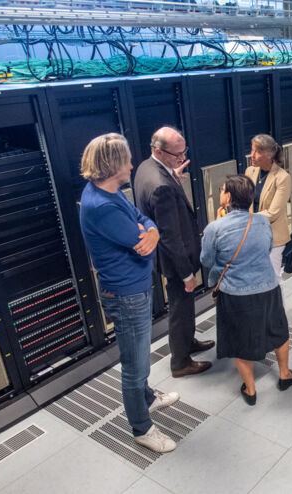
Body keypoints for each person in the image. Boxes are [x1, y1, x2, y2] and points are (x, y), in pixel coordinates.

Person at [79, 133, 179, 453]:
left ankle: (147, 399)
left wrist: (149, 230)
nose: (132, 164)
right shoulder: (101, 206)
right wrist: (149, 239)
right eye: (126, 160)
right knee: (135, 367)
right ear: (112, 166)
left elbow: (142, 221)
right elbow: (143, 251)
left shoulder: (110, 192)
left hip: (133, 288)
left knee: (140, 358)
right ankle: (141, 427)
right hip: (126, 294)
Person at [200, 175, 292, 406]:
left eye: (223, 190)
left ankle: (251, 388)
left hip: (236, 294)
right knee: (277, 329)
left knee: (241, 339)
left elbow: (206, 260)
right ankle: (285, 374)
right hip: (268, 286)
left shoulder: (215, 228)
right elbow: (266, 249)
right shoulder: (262, 222)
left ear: (228, 198)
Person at [134, 127, 214, 379]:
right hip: (175, 259)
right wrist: (187, 273)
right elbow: (170, 236)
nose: (182, 158)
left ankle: (187, 343)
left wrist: (174, 175)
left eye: (183, 152)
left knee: (185, 305)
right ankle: (180, 362)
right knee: (180, 307)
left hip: (167, 257)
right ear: (158, 150)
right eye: (177, 155)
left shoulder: (146, 168)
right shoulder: (160, 186)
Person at [245, 134, 291, 278]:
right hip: (253, 234)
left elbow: (273, 213)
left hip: (273, 237)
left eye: (257, 152)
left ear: (269, 154)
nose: (251, 155)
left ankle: (279, 301)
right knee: (256, 276)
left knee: (273, 278)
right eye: (251, 150)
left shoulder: (282, 177)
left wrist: (246, 217)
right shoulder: (250, 171)